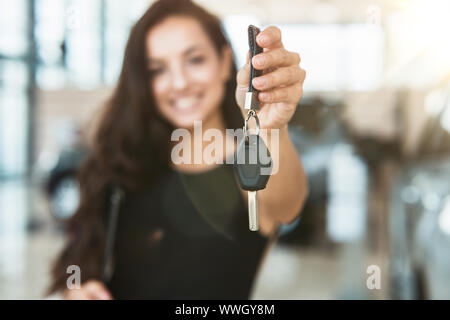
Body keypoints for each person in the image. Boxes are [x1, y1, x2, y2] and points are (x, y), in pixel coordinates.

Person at [48, 0, 307, 299]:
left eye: (195, 60)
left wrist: (270, 129)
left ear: (224, 62)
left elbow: (287, 205)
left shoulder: (249, 166)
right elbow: (78, 267)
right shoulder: (123, 163)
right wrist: (76, 291)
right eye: (157, 70)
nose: (180, 82)